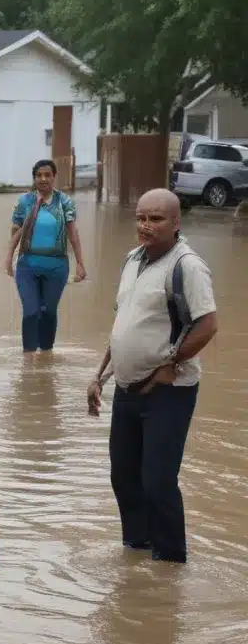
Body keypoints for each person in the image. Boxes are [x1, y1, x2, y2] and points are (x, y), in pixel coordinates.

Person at [87, 189, 218, 564]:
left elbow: (208, 324)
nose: (145, 225)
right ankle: (137, 554)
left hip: (168, 390)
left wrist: (170, 365)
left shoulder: (187, 266)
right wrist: (99, 376)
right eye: (141, 217)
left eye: (156, 219)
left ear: (176, 223)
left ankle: (171, 565)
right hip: (127, 388)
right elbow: (124, 323)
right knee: (124, 479)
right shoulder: (133, 259)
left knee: (158, 482)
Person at [5, 159, 87, 353]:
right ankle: (28, 358)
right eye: (39, 175)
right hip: (27, 265)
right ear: (34, 178)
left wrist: (81, 263)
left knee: (48, 312)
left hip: (56, 266)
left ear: (54, 177)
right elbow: (15, 231)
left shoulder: (64, 202)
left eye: (47, 175)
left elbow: (73, 234)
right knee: (31, 312)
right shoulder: (24, 202)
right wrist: (9, 258)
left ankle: (46, 355)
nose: (43, 179)